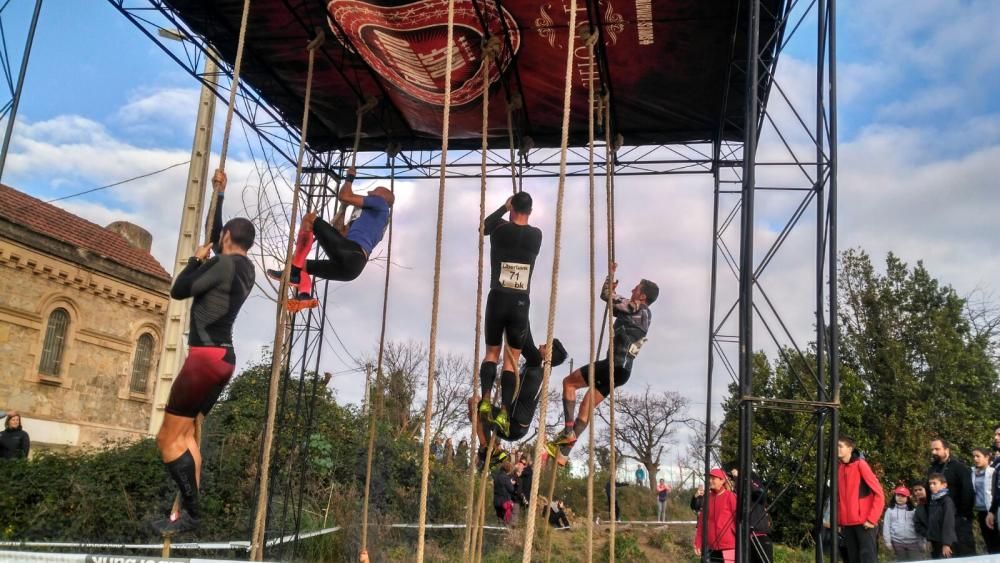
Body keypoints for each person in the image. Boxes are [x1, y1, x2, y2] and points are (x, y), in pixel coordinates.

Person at [154, 170, 256, 535]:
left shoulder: (221, 264)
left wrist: (197, 259)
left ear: (227, 238)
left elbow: (179, 290)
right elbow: (219, 236)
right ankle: (185, 513)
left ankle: (193, 513)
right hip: (222, 359)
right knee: (186, 437)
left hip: (204, 359)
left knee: (167, 439)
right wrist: (220, 195)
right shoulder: (245, 267)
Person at [548, 263, 658, 464]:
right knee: (587, 404)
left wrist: (610, 276)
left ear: (643, 296)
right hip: (623, 372)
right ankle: (563, 455)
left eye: (636, 288)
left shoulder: (636, 307)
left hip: (613, 364)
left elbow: (606, 295)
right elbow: (614, 306)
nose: (633, 289)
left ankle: (568, 431)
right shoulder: (645, 315)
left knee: (569, 383)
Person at [267, 166, 394, 299]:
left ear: (382, 198)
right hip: (353, 267)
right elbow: (341, 233)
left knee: (309, 219)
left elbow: (344, 196)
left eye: (373, 193)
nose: (368, 193)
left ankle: (293, 273)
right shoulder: (373, 221)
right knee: (300, 264)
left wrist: (349, 178)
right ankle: (304, 295)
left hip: (352, 253)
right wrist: (343, 210)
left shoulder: (381, 204)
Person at [475, 192, 543, 427]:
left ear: (512, 206)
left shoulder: (500, 231)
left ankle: (485, 398)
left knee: (491, 353)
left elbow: (484, 227)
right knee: (511, 359)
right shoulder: (536, 235)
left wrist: (504, 208)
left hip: (497, 297)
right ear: (531, 211)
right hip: (520, 302)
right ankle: (504, 409)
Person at [469, 331, 568, 446]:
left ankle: (486, 448)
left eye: (544, 346)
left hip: (512, 424)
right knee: (477, 411)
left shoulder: (536, 363)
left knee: (474, 403)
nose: (540, 345)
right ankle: (493, 450)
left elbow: (525, 337)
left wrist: (522, 316)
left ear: (549, 355)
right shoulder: (545, 371)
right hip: (519, 429)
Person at [836, 436, 885, 563]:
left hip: (864, 524)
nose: (837, 449)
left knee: (867, 559)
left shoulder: (861, 465)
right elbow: (839, 498)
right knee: (853, 559)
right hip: (848, 525)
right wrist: (840, 521)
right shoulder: (839, 468)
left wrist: (871, 519)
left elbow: (879, 494)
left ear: (850, 449)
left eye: (840, 446)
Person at [927, 438, 975, 555]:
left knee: (963, 554)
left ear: (946, 450)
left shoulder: (959, 467)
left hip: (959, 520)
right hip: (939, 522)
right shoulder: (932, 469)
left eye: (937, 449)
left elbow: (968, 491)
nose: (934, 452)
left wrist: (963, 514)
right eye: (932, 449)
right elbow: (929, 494)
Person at [694, 468, 736, 562]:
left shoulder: (730, 496)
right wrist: (698, 541)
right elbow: (701, 523)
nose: (710, 480)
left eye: (713, 478)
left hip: (728, 547)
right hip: (711, 547)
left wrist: (733, 532)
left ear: (722, 480)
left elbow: (738, 519)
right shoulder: (707, 498)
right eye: (709, 478)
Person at [883, 484, 925, 561]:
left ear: (908, 498)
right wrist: (888, 542)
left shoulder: (913, 511)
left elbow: (919, 526)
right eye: (898, 495)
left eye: (903, 496)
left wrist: (922, 542)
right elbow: (886, 527)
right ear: (895, 496)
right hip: (897, 542)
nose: (900, 498)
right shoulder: (890, 511)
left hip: (913, 542)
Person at [972, 447, 1000, 553]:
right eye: (974, 456)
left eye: (978, 456)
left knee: (996, 541)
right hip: (981, 511)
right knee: (988, 542)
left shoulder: (994, 472)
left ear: (987, 457)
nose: (975, 459)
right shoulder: (973, 473)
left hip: (993, 511)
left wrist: (992, 510)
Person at [927, 473, 957, 559]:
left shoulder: (947, 501)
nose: (931, 486)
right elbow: (931, 521)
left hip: (945, 542)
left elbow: (948, 523)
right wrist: (929, 539)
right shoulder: (933, 500)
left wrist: (946, 544)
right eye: (930, 484)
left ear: (944, 485)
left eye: (934, 483)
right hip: (935, 541)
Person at [493, 460, 517, 525]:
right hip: (504, 502)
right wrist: (511, 483)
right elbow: (511, 489)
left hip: (496, 501)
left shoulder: (496, 476)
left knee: (499, 521)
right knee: (507, 520)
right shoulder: (506, 478)